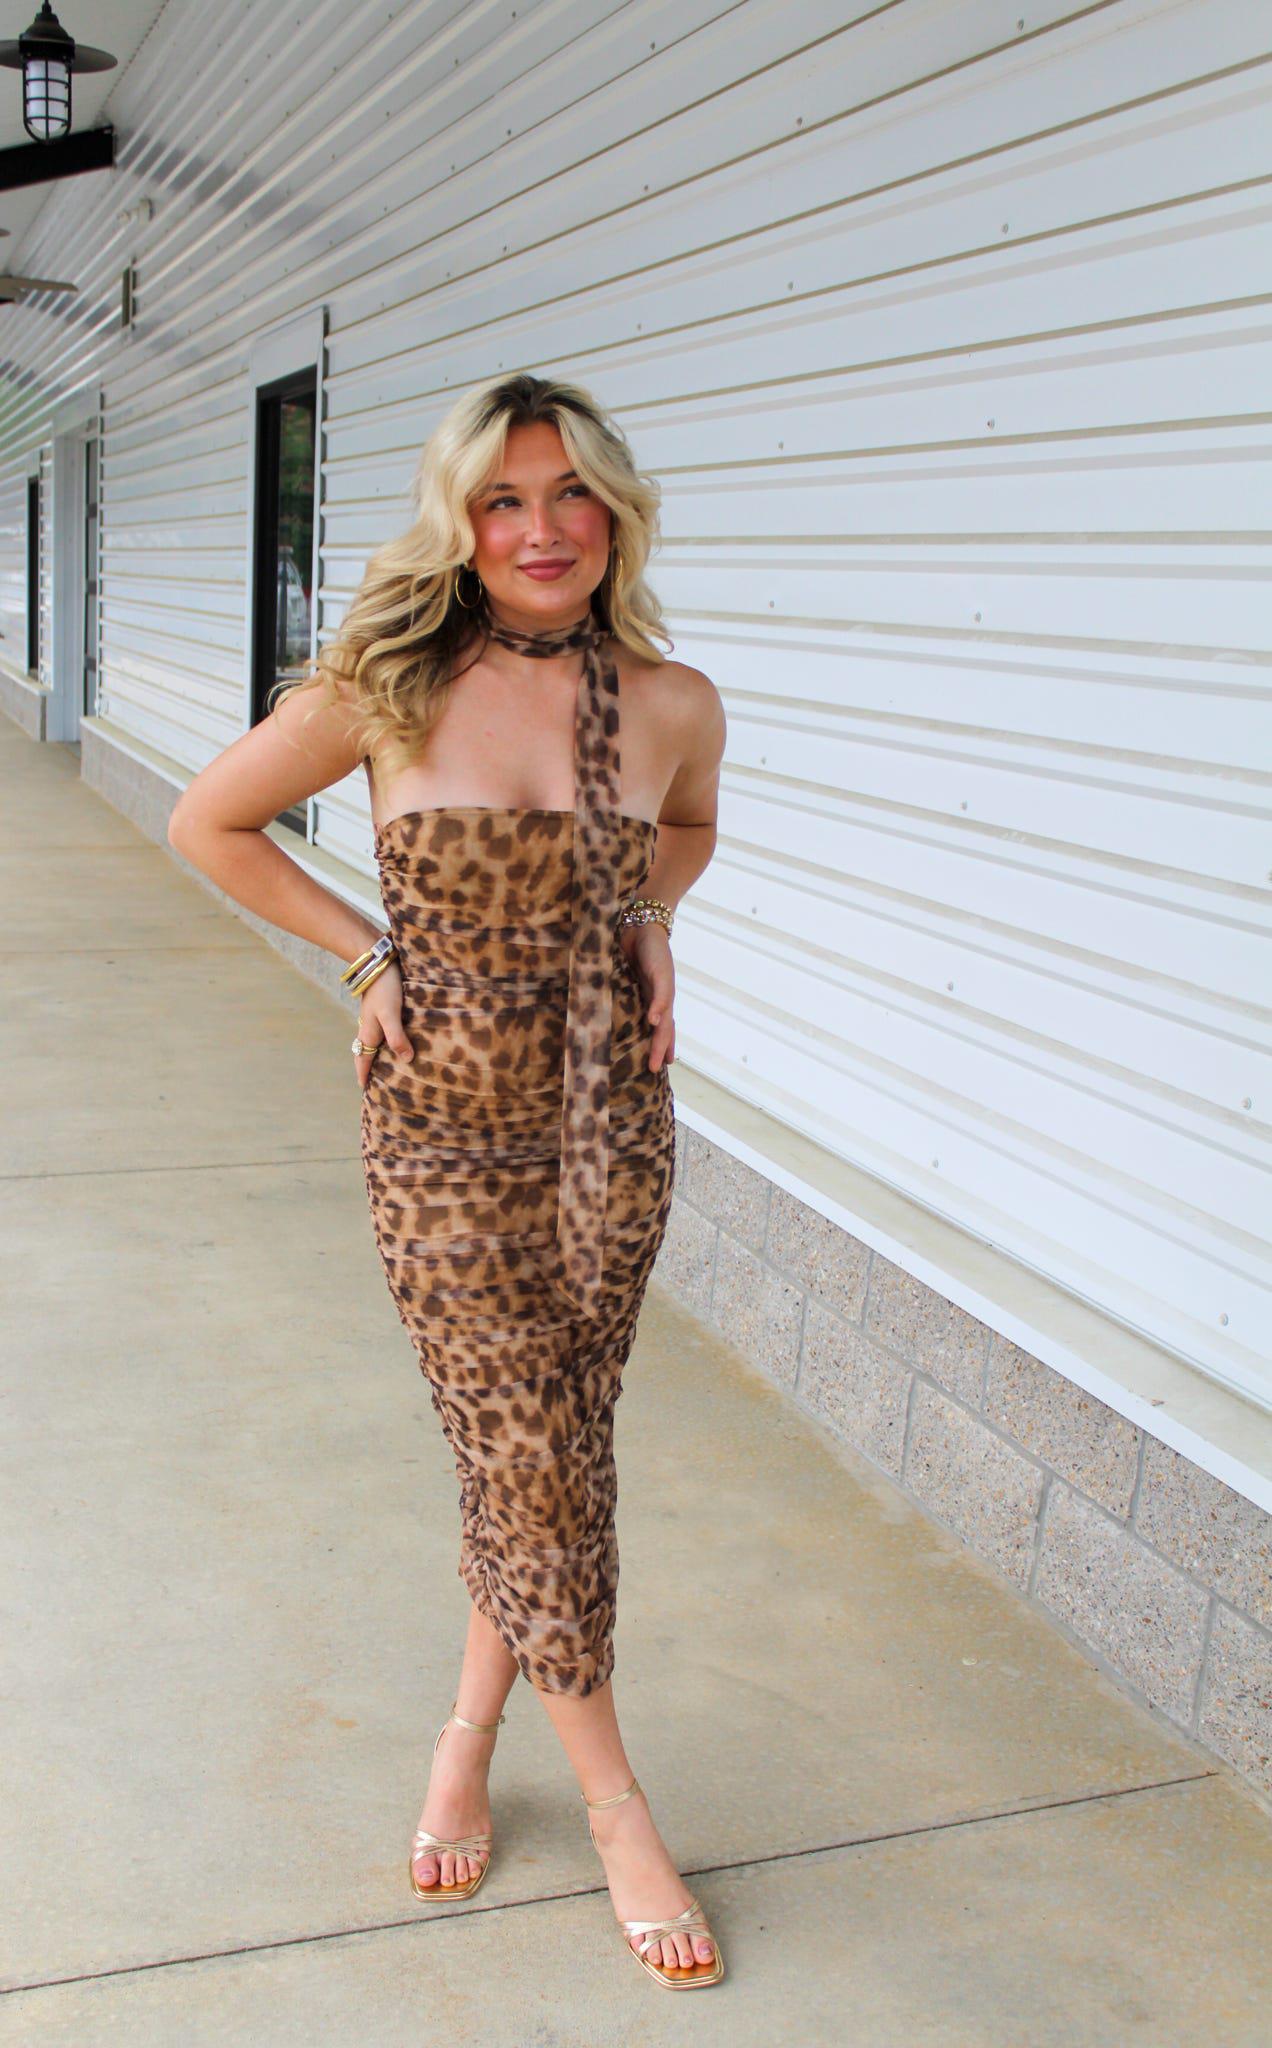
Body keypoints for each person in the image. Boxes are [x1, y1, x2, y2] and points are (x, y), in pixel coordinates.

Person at [167, 370, 727, 1990]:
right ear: (459, 524)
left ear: (613, 511)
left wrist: (648, 920)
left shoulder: (671, 700)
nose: (542, 530)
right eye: (503, 500)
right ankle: (616, 1804)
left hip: (610, 1131)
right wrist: (366, 958)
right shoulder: (390, 685)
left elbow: (688, 828)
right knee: (533, 1455)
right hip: (445, 1139)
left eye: (569, 494)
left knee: (547, 1450)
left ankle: (467, 1740)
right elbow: (213, 823)